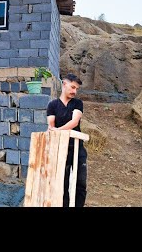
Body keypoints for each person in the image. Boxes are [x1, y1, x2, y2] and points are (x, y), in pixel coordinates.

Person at [46, 73, 87, 207]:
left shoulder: (77, 103)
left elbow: (74, 122)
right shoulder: (52, 105)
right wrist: (53, 130)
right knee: (61, 183)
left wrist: (59, 130)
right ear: (64, 84)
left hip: (77, 148)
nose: (74, 91)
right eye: (72, 87)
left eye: (76, 89)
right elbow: (51, 126)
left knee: (80, 183)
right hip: (60, 149)